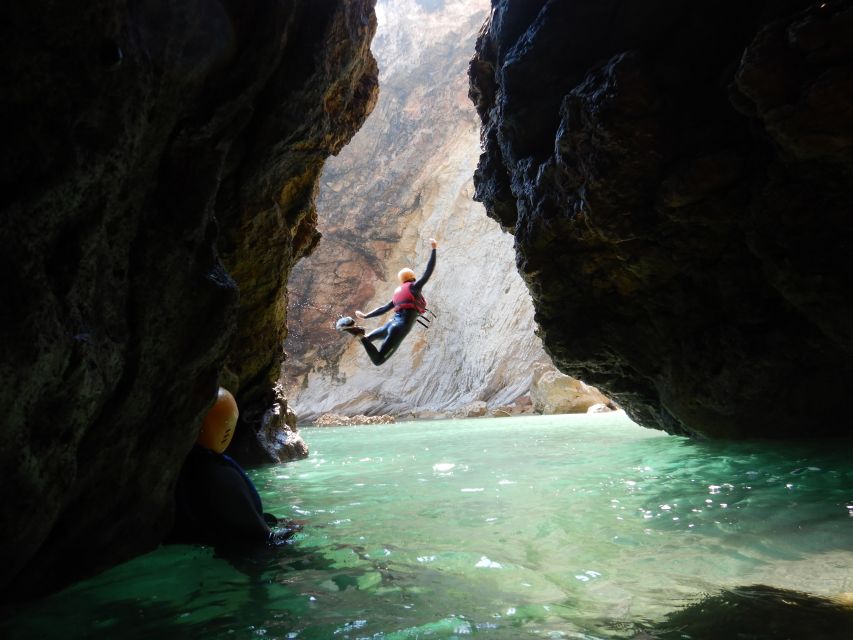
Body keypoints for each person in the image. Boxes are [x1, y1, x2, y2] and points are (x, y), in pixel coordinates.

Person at [168, 387, 297, 548]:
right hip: (239, 550)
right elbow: (263, 540)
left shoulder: (178, 464)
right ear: (227, 431)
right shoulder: (220, 475)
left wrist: (274, 521)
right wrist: (293, 530)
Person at [337, 238, 437, 366]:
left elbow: (383, 308)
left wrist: (366, 316)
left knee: (367, 340)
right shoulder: (414, 287)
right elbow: (428, 272)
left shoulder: (398, 294)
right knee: (378, 360)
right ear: (413, 278)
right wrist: (434, 249)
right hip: (399, 328)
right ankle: (359, 333)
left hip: (390, 324)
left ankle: (351, 327)